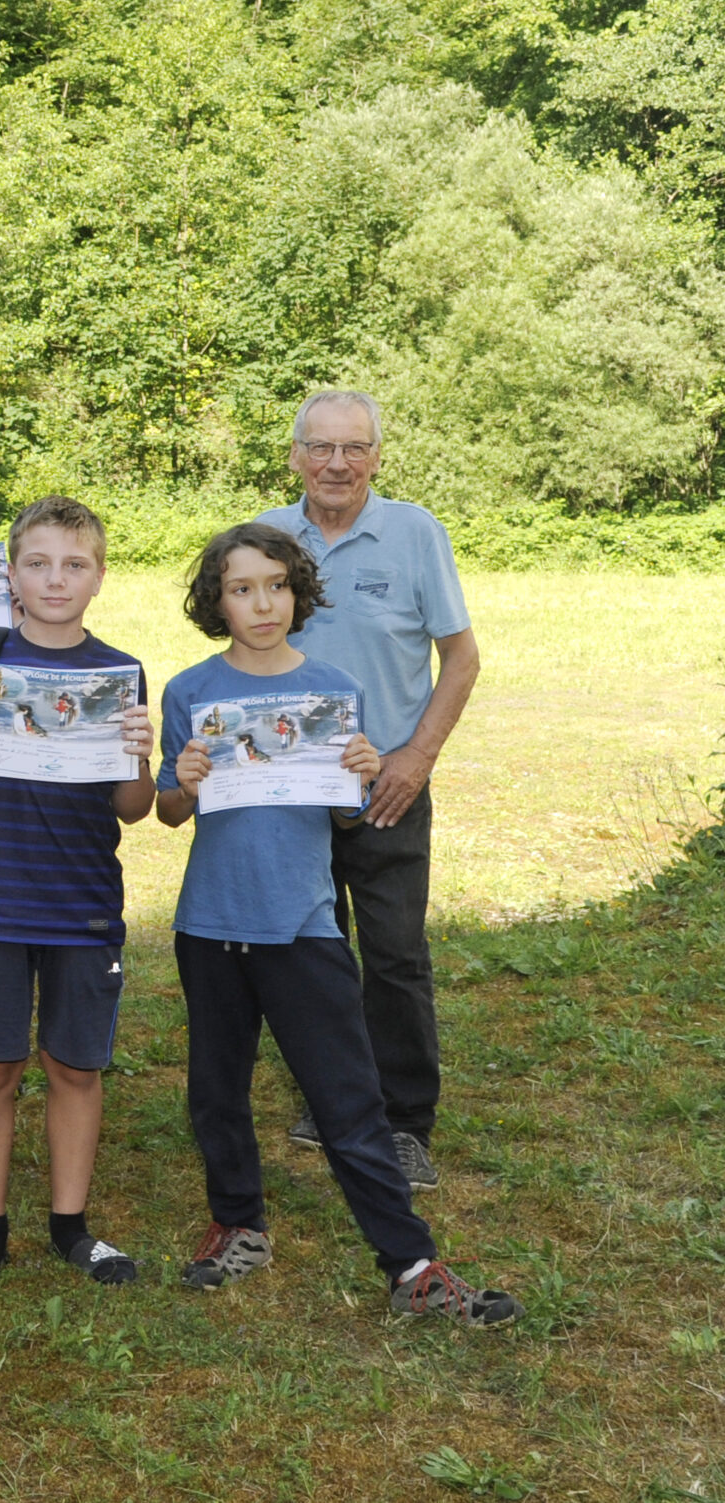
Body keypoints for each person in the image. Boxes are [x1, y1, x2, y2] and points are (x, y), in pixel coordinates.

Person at [154, 524, 521, 1325]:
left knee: (349, 1100)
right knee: (217, 1090)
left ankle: (411, 1264)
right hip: (211, 924)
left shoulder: (329, 690)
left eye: (277, 585)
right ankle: (239, 1225)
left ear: (299, 593)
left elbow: (349, 820)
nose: (262, 602)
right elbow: (169, 811)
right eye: (242, 587)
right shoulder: (191, 692)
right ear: (216, 599)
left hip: (303, 924)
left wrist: (357, 776)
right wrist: (180, 781)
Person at [0, 496, 153, 1296]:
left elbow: (133, 806)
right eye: (39, 562)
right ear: (11, 573)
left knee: (75, 1067)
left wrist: (138, 753)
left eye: (75, 564)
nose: (56, 579)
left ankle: (71, 1224)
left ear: (98, 577)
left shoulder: (119, 669)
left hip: (83, 899)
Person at [258, 390, 478, 1192]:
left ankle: (406, 1122)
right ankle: (334, 1096)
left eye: (354, 448)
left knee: (392, 955)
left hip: (386, 782)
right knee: (310, 954)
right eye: (320, 447)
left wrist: (415, 756)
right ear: (295, 455)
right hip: (291, 788)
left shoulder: (415, 534)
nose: (337, 463)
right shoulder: (267, 537)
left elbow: (460, 657)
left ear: (377, 455)